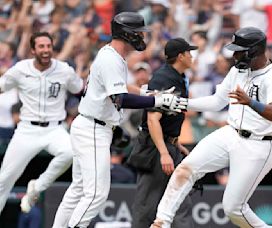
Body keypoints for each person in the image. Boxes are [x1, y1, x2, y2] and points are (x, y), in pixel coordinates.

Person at [51, 12, 186, 228]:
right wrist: (156, 102)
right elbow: (120, 99)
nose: (142, 36)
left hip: (90, 125)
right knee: (96, 194)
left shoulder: (112, 56)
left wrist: (149, 93)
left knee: (78, 190)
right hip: (93, 129)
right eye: (138, 32)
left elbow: (121, 89)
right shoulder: (110, 58)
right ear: (127, 34)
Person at [151, 26, 272, 228]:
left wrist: (250, 102)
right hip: (231, 133)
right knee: (185, 169)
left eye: (238, 51)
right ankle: (161, 222)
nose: (233, 55)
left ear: (252, 51)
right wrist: (181, 103)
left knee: (233, 208)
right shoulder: (238, 70)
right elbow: (217, 101)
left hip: (259, 145)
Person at [0, 31, 84, 214]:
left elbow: (80, 89)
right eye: (41, 46)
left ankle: (37, 187)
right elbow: (1, 86)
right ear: (32, 50)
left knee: (71, 152)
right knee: (4, 179)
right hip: (26, 130)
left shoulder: (64, 69)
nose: (46, 50)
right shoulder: (20, 69)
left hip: (55, 128)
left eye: (48, 46)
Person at [131, 37, 196, 228]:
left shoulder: (178, 77)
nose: (192, 56)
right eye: (189, 52)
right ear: (180, 56)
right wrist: (164, 152)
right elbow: (152, 119)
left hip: (168, 145)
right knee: (147, 205)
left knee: (180, 201)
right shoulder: (163, 79)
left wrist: (175, 143)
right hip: (154, 148)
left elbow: (169, 117)